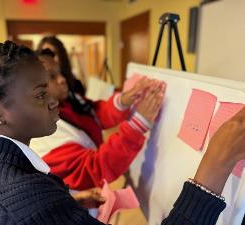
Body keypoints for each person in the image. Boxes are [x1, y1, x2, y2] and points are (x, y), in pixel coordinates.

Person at [0, 12, 245, 225]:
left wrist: (67, 205)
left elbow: (95, 111)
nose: (53, 100)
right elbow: (29, 208)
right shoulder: (23, 200)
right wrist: (213, 169)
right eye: (40, 94)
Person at [30, 49, 166, 190]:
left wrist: (123, 100)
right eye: (52, 76)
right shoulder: (44, 133)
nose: (62, 79)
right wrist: (138, 125)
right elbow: (94, 168)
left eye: (60, 73)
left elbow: (95, 113)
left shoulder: (67, 100)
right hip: (80, 200)